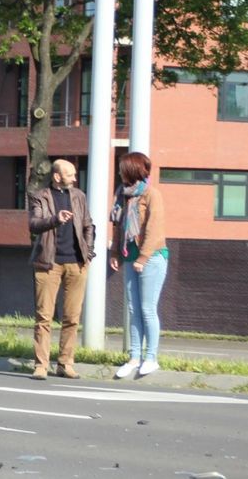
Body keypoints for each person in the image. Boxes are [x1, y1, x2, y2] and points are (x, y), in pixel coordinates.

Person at [27, 158, 95, 380]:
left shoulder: (78, 196)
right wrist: (55, 219)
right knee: (44, 317)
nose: (75, 178)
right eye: (71, 175)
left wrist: (89, 252)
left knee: (72, 317)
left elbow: (88, 225)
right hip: (49, 264)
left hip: (77, 263)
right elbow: (34, 224)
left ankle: (65, 363)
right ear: (57, 177)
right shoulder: (40, 196)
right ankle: (41, 365)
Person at [110, 152, 168, 378]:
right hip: (129, 256)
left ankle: (151, 358)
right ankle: (134, 357)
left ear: (132, 170)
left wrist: (143, 258)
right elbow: (118, 225)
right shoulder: (121, 195)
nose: (119, 172)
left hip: (152, 257)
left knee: (147, 308)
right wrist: (115, 252)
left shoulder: (152, 194)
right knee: (133, 309)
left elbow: (154, 229)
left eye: (122, 168)